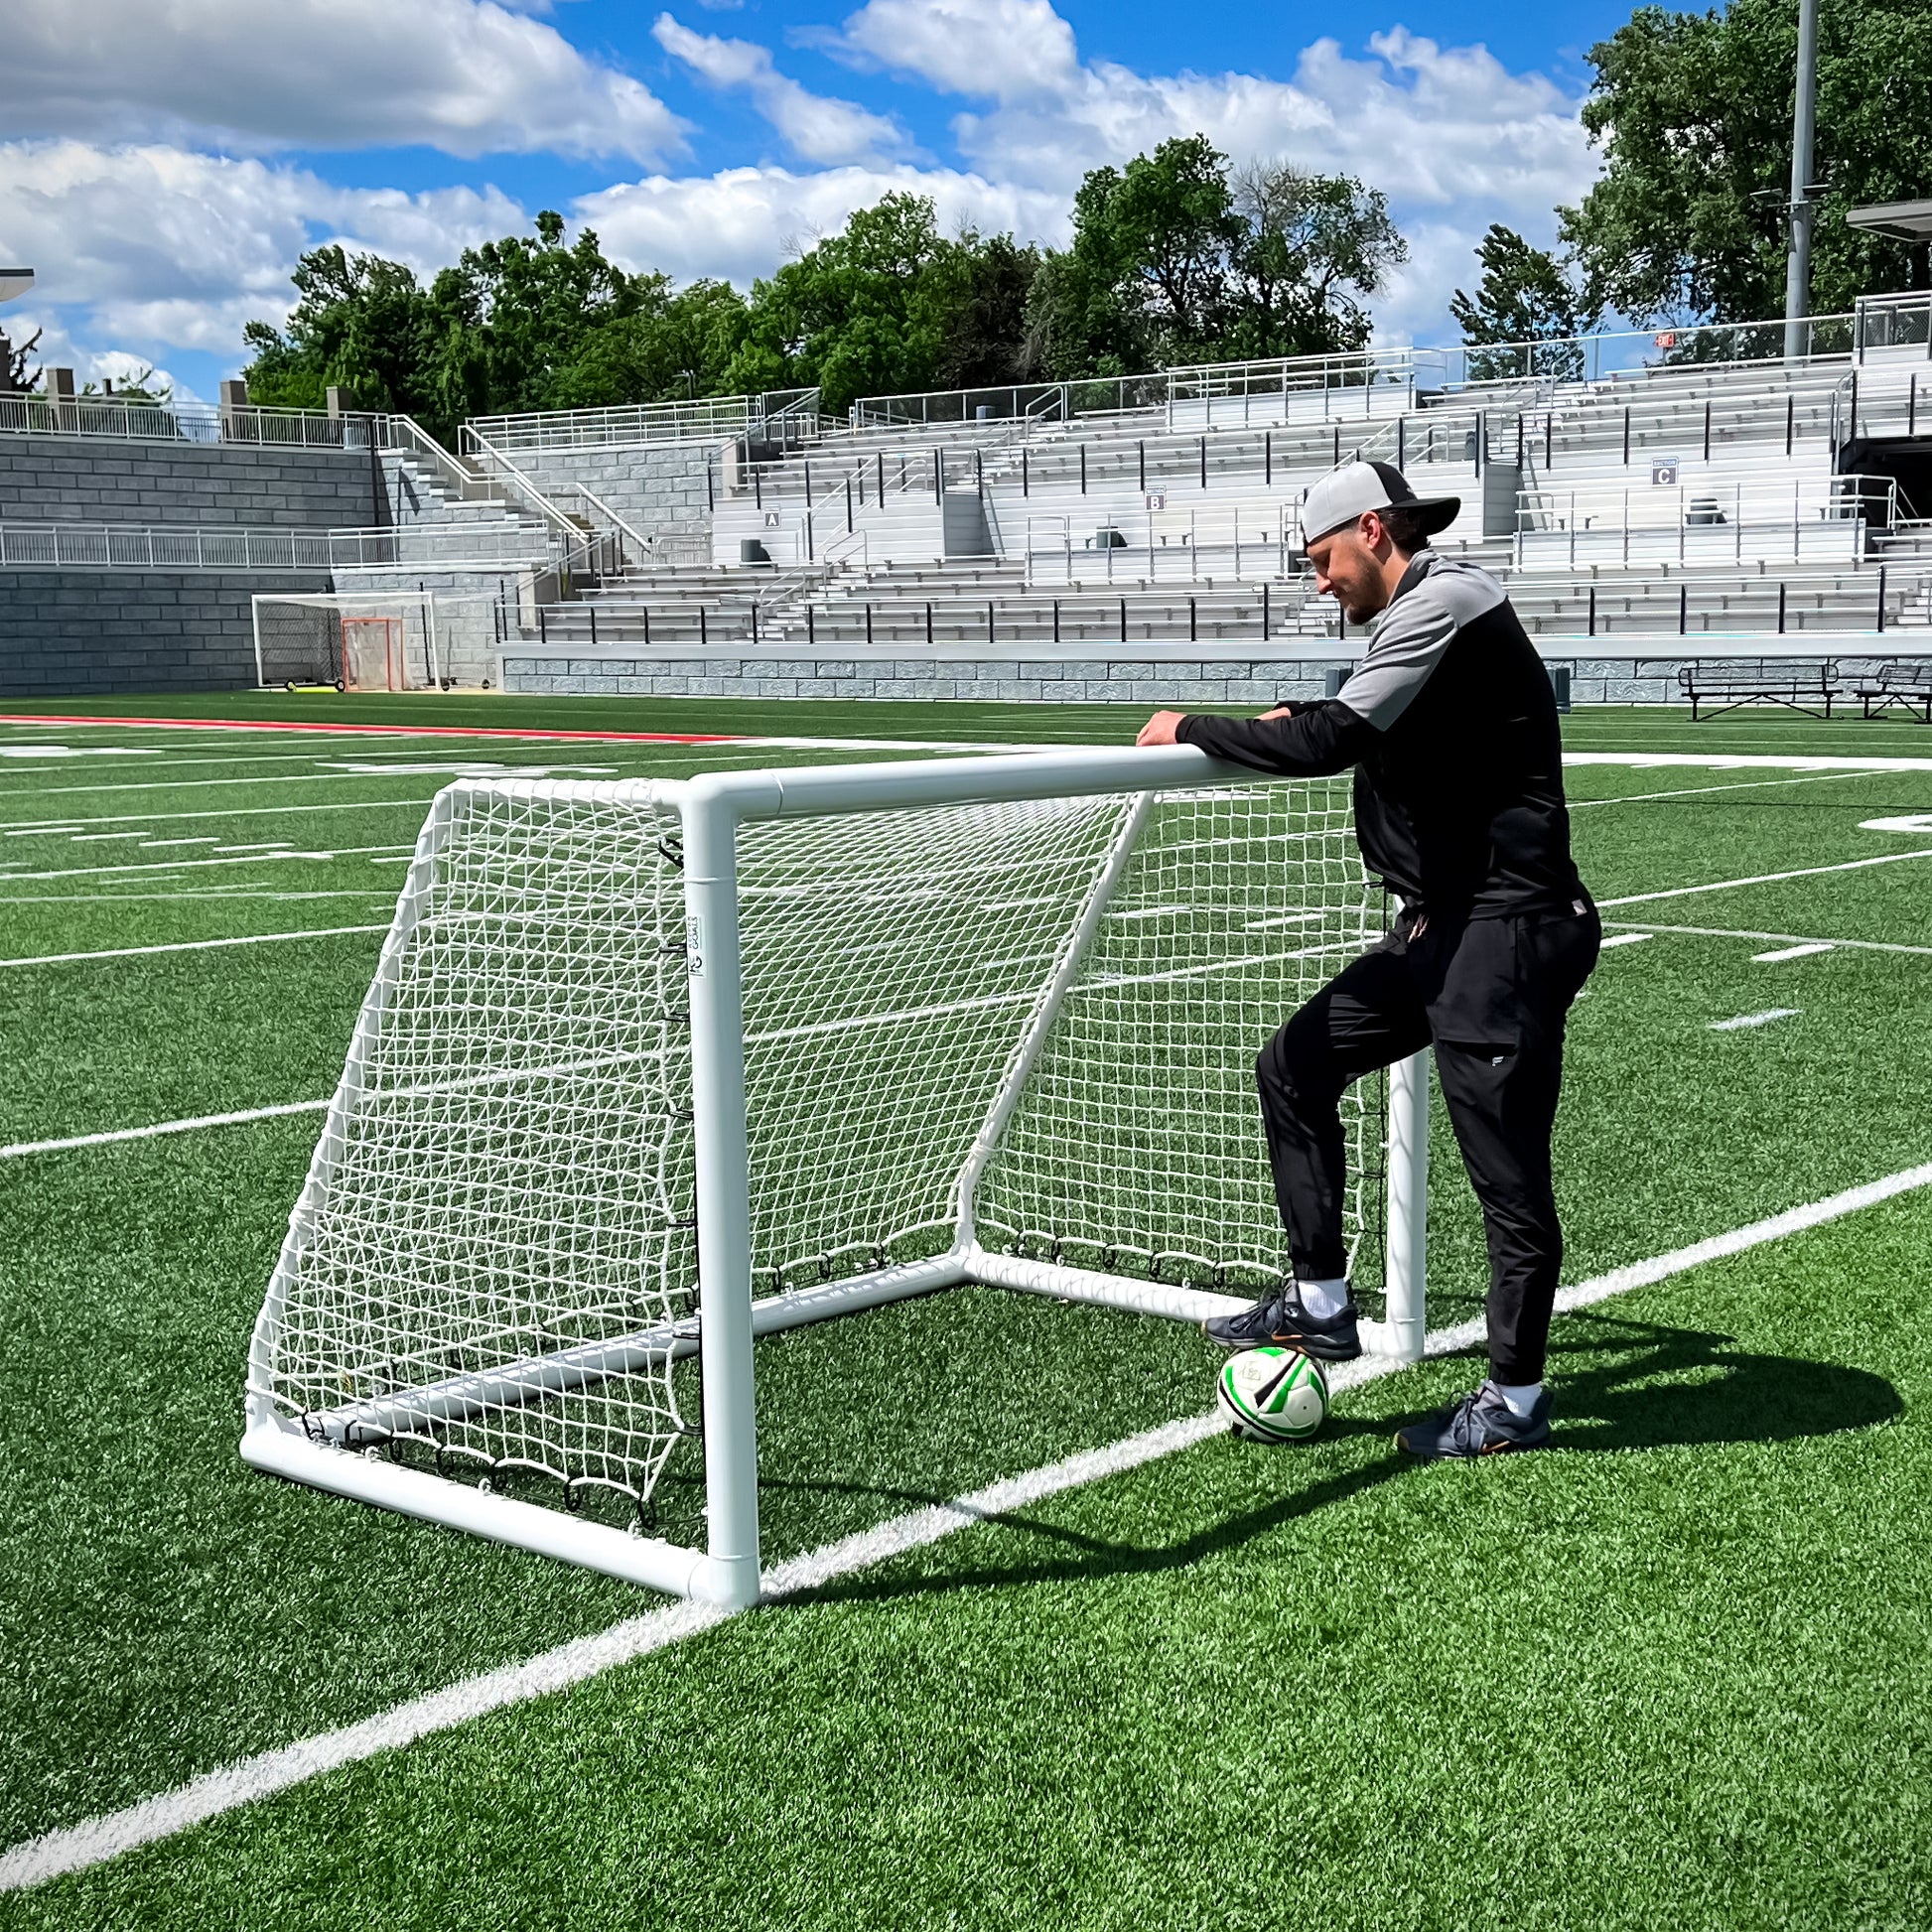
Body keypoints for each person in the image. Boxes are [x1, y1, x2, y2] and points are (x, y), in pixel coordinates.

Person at [1136, 461, 1599, 1459]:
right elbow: (1358, 711)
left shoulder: (1447, 598)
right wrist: (1284, 712)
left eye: (1322, 561)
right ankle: (1318, 1301)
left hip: (1506, 930)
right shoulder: (1422, 615)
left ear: (1373, 533)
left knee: (1505, 1178)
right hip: (1446, 926)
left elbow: (1335, 738)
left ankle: (1513, 1399)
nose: (1318, 583)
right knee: (1293, 1064)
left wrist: (1188, 729)